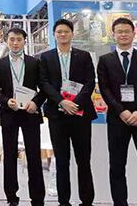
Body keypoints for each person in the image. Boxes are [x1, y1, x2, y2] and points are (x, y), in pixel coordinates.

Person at [39, 18, 96, 206]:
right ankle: (64, 201)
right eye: (59, 32)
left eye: (66, 31)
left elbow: (90, 82)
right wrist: (62, 102)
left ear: (72, 34)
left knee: (83, 160)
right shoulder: (46, 57)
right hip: (57, 115)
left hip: (80, 114)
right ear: (54, 35)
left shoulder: (84, 56)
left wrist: (75, 103)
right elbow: (44, 83)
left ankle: (86, 201)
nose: (62, 34)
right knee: (62, 160)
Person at [0, 28, 46, 206]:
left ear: (24, 41)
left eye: (19, 39)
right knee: (10, 156)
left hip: (30, 113)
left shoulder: (34, 63)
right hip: (10, 113)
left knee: (34, 156)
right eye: (12, 39)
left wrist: (36, 103)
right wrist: (6, 101)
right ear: (7, 41)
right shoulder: (0, 64)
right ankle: (11, 197)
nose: (15, 43)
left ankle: (37, 198)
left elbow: (44, 87)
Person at [97, 17, 137, 206]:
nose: (123, 34)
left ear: (133, 33)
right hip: (117, 119)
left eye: (127, 31)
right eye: (119, 31)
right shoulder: (105, 60)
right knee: (117, 166)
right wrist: (121, 111)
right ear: (113, 34)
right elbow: (105, 89)